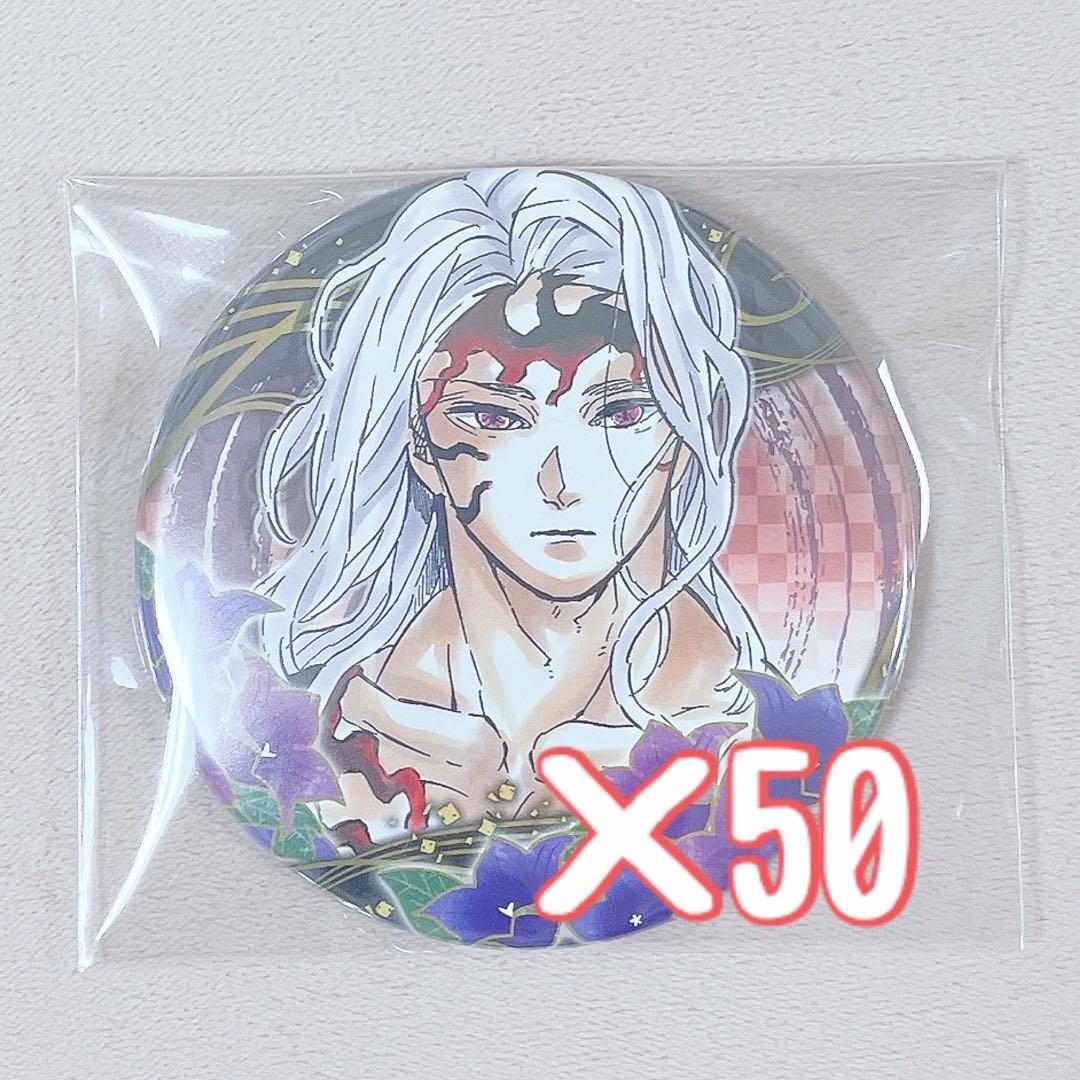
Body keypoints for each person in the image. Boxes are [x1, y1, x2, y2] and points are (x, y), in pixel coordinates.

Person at [256, 167, 766, 847]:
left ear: (681, 431)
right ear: (420, 445)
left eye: (619, 413)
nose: (562, 480)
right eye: (494, 419)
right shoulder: (351, 729)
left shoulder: (753, 725)